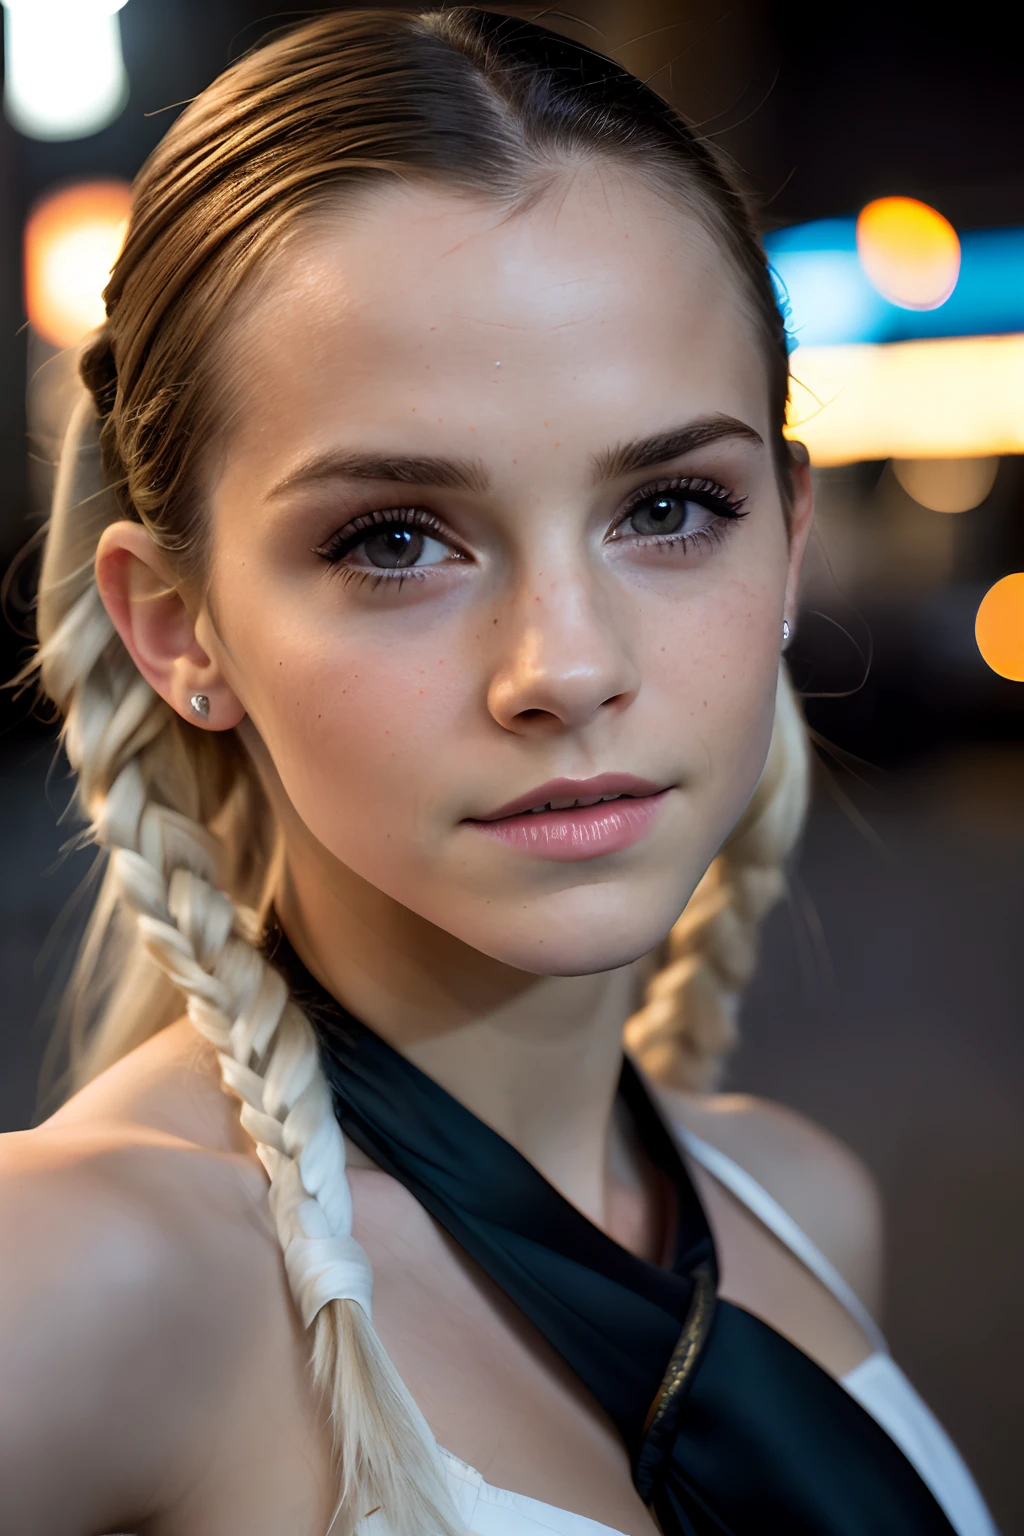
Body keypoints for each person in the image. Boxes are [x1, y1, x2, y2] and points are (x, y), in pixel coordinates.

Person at [0, 9, 999, 1536]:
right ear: (177, 625)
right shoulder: (83, 1276)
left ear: (791, 541)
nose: (568, 664)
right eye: (395, 540)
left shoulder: (804, 1210)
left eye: (670, 506)